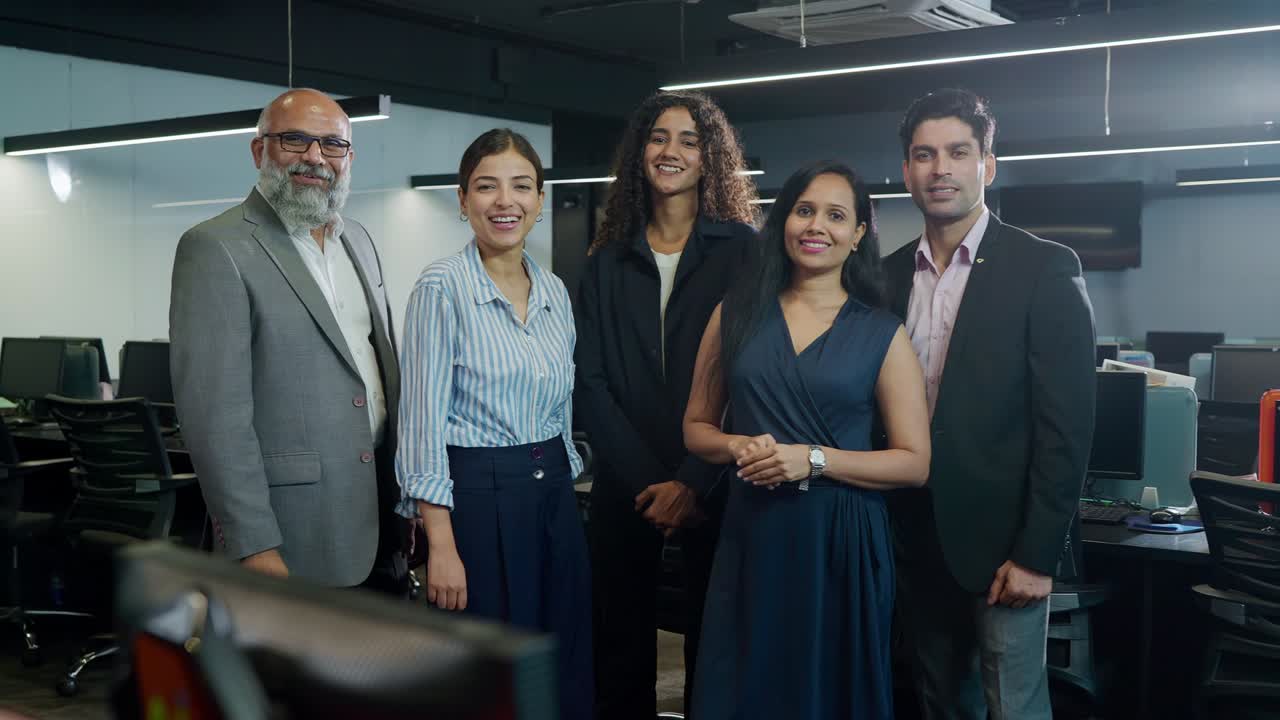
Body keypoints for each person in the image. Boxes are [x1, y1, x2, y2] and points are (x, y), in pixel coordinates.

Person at [684, 161, 931, 719]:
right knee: (747, 686)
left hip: (842, 538)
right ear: (784, 221)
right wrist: (738, 448)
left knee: (831, 694)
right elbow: (697, 427)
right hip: (755, 532)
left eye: (836, 215)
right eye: (805, 210)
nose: (817, 226)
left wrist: (812, 460)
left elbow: (914, 463)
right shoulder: (735, 314)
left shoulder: (882, 331)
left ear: (859, 234)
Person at [883, 88, 1097, 720]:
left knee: (1014, 705)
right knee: (939, 701)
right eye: (924, 154)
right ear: (906, 171)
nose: (939, 168)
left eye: (957, 152)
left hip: (1006, 547)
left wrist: (1038, 555)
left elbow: (1067, 428)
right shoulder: (884, 275)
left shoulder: (1045, 269)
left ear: (987, 165)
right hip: (912, 537)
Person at [170, 88, 407, 594]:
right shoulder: (215, 246)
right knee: (293, 676)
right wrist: (252, 543)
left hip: (381, 515)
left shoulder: (359, 241)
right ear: (260, 151)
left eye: (332, 145)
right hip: (291, 531)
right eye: (295, 140)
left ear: (349, 157)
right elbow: (214, 418)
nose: (315, 158)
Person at [395, 129, 591, 720]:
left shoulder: (555, 291)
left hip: (554, 499)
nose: (504, 201)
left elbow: (560, 413)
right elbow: (421, 424)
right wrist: (441, 546)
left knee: (560, 661)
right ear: (462, 200)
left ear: (538, 200)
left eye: (521, 186)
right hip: (477, 502)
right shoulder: (441, 287)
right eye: (486, 186)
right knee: (487, 676)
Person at [573, 89, 758, 719]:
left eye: (688, 140)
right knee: (617, 649)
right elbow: (589, 383)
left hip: (717, 484)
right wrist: (654, 481)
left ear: (710, 159)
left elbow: (750, 378)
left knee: (716, 646)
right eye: (658, 137)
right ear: (638, 154)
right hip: (627, 484)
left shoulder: (743, 252)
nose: (670, 151)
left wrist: (692, 482)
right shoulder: (606, 261)